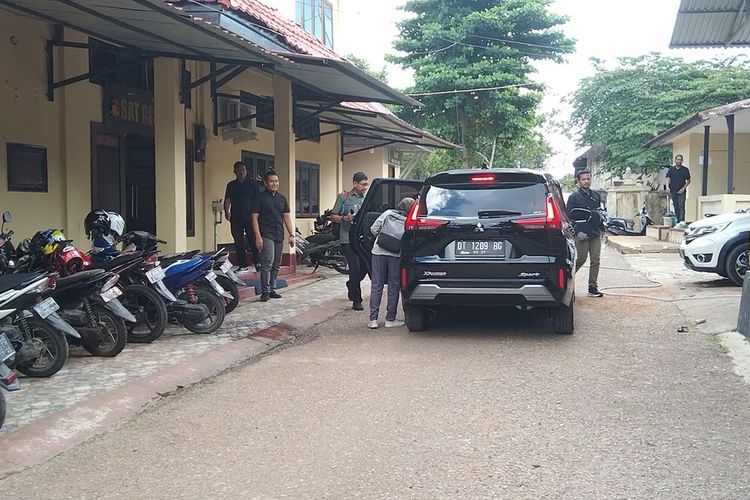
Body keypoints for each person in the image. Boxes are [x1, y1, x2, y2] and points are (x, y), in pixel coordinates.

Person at [367, 197, 414, 329]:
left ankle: (373, 319)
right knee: (394, 286)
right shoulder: (407, 221)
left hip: (378, 252)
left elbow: (373, 229)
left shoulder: (387, 213)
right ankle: (390, 319)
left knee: (376, 285)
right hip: (395, 254)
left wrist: (382, 239)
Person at [251, 170, 295, 302]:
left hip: (279, 235)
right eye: (272, 181)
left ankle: (272, 288)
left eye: (276, 181)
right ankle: (265, 291)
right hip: (266, 234)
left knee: (276, 264)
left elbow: (286, 217)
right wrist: (257, 237)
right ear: (265, 183)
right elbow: (254, 218)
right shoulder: (260, 198)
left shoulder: (282, 198)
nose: (275, 183)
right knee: (267, 263)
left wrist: (291, 234)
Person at [330, 172, 369, 310]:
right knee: (355, 268)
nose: (365, 187)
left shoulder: (366, 198)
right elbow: (333, 216)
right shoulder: (343, 197)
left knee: (364, 268)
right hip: (347, 238)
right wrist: (343, 219)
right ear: (355, 184)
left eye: (366, 184)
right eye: (363, 184)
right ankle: (356, 300)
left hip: (361, 239)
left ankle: (351, 284)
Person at [566, 170, 604, 298]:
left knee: (596, 260)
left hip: (594, 232)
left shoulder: (596, 196)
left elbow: (599, 213)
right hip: (581, 232)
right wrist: (576, 232)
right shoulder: (574, 197)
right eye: (583, 179)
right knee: (581, 259)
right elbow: (568, 218)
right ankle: (567, 280)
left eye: (588, 179)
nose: (586, 181)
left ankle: (592, 287)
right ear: (578, 181)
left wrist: (602, 230)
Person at [224, 161, 259, 272]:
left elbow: (258, 200)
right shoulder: (231, 185)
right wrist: (227, 211)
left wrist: (258, 215)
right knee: (238, 242)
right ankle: (242, 265)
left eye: (243, 169)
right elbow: (227, 199)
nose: (241, 172)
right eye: (238, 170)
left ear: (246, 171)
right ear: (234, 171)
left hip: (250, 217)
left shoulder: (253, 184)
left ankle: (257, 261)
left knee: (253, 240)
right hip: (236, 218)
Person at [666, 154, 691, 223]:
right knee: (676, 206)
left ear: (682, 161)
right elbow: (668, 178)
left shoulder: (685, 170)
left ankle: (682, 221)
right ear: (675, 160)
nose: (679, 161)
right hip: (673, 190)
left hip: (682, 191)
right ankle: (678, 221)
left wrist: (683, 188)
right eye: (678, 159)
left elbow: (688, 180)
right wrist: (667, 187)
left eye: (680, 160)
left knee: (681, 206)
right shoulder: (671, 169)